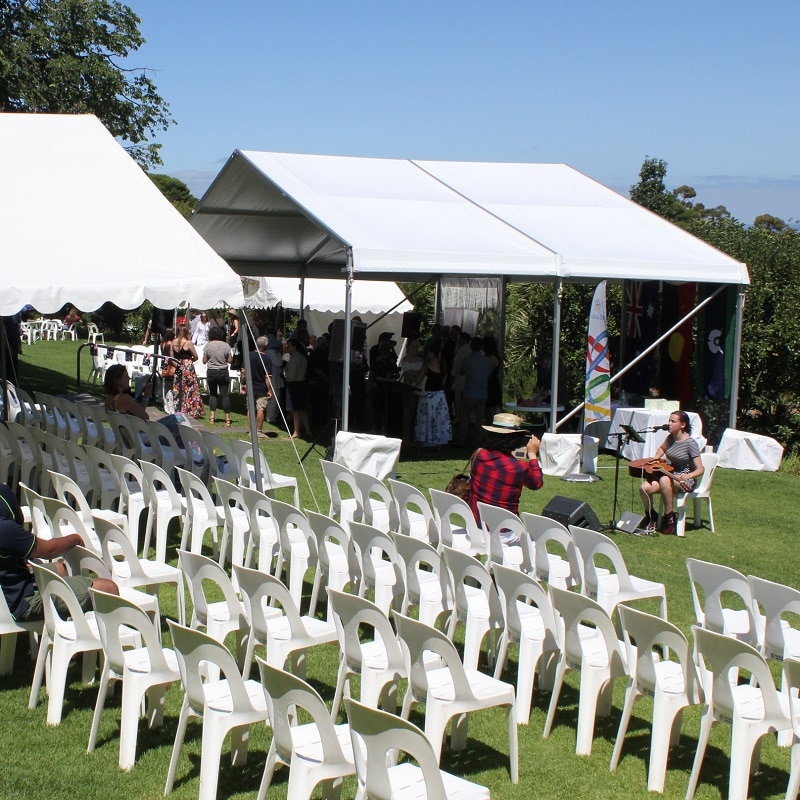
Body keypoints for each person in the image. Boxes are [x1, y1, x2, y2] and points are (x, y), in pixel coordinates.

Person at [0, 483, 117, 624]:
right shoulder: (5, 530)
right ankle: (114, 641)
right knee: (109, 588)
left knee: (64, 569)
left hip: (12, 587)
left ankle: (72, 625)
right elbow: (49, 550)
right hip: (22, 603)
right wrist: (76, 538)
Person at [469, 413, 544, 540]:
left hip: (473, 526)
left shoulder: (479, 455)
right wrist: (532, 454)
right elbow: (537, 483)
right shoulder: (518, 467)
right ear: (516, 439)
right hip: (503, 534)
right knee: (536, 542)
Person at [639, 410, 704, 535]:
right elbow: (662, 448)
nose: (669, 423)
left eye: (673, 421)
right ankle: (650, 516)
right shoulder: (670, 438)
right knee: (644, 488)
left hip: (685, 480)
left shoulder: (690, 444)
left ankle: (670, 518)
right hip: (668, 474)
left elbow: (700, 469)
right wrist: (656, 457)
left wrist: (688, 475)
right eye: (669, 420)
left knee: (663, 480)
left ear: (682, 425)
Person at [454, 336, 493, 447]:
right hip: (482, 393)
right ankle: (478, 440)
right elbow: (489, 375)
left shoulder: (467, 360)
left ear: (471, 346)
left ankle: (462, 440)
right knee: (480, 418)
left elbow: (461, 372)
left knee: (464, 417)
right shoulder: (487, 361)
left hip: (469, 392)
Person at [414, 338, 451, 448]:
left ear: (432, 353)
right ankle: (439, 441)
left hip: (428, 397)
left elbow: (417, 381)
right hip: (440, 396)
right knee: (439, 419)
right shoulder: (444, 368)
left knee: (427, 418)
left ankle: (424, 440)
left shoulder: (426, 367)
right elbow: (443, 382)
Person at [171, 325, 204, 419]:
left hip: (178, 365)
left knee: (179, 387)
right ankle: (191, 409)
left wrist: (178, 365)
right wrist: (189, 362)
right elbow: (196, 356)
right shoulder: (188, 342)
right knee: (191, 388)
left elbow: (171, 357)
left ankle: (179, 408)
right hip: (188, 365)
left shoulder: (173, 342)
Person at [202, 326, 232, 426]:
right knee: (225, 395)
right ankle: (227, 419)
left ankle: (212, 417)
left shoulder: (208, 346)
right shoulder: (225, 345)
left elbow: (204, 361)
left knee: (213, 394)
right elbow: (230, 360)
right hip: (223, 371)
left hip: (211, 371)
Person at [285, 337, 312, 439]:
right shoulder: (303, 357)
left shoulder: (294, 359)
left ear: (294, 347)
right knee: (302, 409)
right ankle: (308, 430)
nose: (288, 348)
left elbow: (291, 376)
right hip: (302, 383)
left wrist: (285, 373)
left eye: (289, 346)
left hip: (295, 385)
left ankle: (297, 431)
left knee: (296, 410)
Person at [246, 336, 271, 434]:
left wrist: (243, 383)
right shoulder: (267, 359)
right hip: (261, 388)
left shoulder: (249, 355)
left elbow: (243, 372)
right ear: (266, 346)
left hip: (250, 385)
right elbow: (268, 377)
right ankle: (259, 431)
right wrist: (269, 390)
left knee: (250, 408)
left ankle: (251, 430)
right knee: (260, 408)